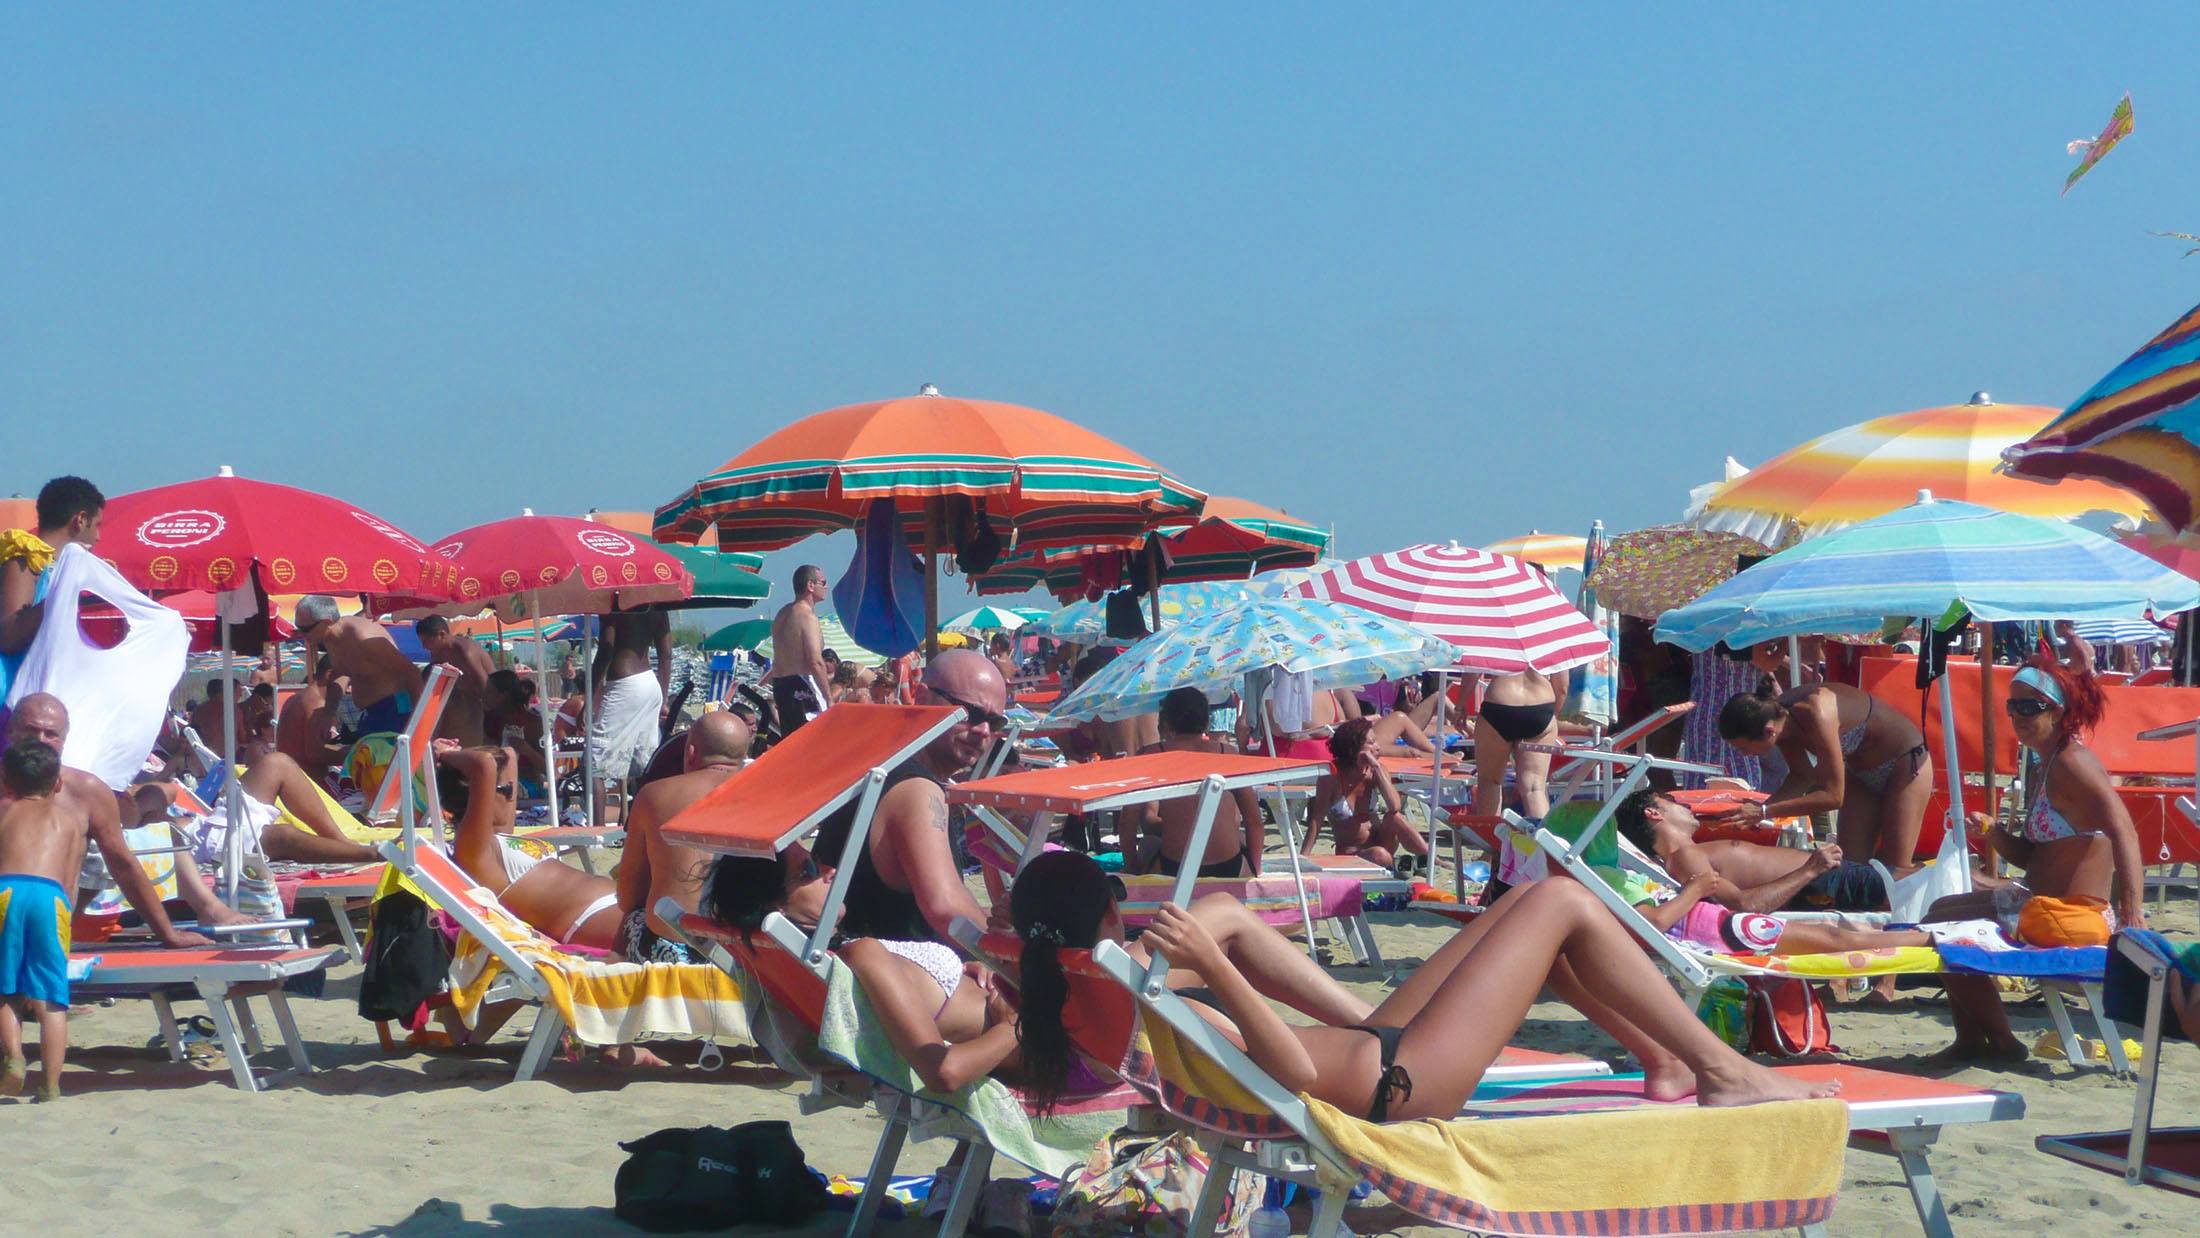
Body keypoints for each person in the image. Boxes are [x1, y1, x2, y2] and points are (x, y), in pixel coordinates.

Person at [1012, 851, 1839, 1119]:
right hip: (1398, 1084)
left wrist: (1216, 934)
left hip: (1376, 1050)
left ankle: (1663, 1064)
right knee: (1559, 899)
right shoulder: (1133, 992)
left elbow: (1227, 919)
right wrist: (1220, 965)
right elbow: (1292, 1077)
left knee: (1519, 913)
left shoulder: (1079, 988)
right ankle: (1724, 1072)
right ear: (1113, 914)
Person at [710, 846, 1374, 1095]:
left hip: (1067, 1027)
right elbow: (942, 1070)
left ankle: (1366, 1032)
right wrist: (1017, 1022)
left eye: (822, 859)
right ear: (772, 904)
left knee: (1210, 949)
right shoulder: (863, 958)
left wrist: (1002, 952)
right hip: (1075, 1045)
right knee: (1222, 914)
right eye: (808, 872)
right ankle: (1370, 1030)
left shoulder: (832, 957)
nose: (829, 868)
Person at [1925, 658, 2150, 1063]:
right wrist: (1994, 832)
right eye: (2012, 707)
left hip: (2070, 915)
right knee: (1942, 909)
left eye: (2030, 707)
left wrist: (2133, 912)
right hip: (2039, 904)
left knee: (1941, 920)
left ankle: (1999, 1041)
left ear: (2059, 710)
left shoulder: (2072, 763)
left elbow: (2126, 832)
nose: (2017, 717)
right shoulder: (2046, 763)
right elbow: (2033, 857)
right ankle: (1976, 1039)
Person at [811, 649, 1008, 943]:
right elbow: (945, 908)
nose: (983, 731)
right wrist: (1012, 961)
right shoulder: (915, 788)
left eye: (995, 723)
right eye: (971, 713)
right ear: (923, 696)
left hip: (854, 960)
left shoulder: (876, 764)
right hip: (888, 976)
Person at [4, 697, 224, 943]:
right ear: (12, 731)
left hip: (52, 927)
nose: (40, 740)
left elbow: (123, 864)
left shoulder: (88, 791)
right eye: (31, 730)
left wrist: (168, 933)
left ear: (64, 740)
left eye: (50, 734)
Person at [1718, 678, 1933, 869]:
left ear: (1768, 732)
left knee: (1895, 868)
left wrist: (1765, 812)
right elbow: (1802, 776)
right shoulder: (1780, 722)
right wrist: (1757, 814)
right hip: (1861, 775)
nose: (1744, 755)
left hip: (1905, 763)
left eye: (1743, 748)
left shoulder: (1815, 712)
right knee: (1851, 869)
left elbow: (1833, 797)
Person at [436, 743, 620, 950]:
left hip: (614, 901)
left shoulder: (497, 836)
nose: (511, 796)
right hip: (591, 917)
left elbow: (510, 753)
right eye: (505, 790)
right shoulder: (473, 851)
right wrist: (445, 754)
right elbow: (484, 766)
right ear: (479, 793)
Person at [1613, 788, 1892, 913]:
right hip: (1824, 881)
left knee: (1917, 896)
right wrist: (1810, 869)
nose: (1683, 804)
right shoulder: (1684, 859)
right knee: (1914, 893)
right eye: (1670, 800)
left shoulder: (1690, 854)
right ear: (1654, 813)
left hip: (1826, 880)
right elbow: (1744, 905)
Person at [616, 711, 753, 963]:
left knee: (629, 919)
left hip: (674, 950)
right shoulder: (766, 795)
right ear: (744, 756)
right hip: (747, 952)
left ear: (690, 752)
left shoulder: (653, 795)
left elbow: (629, 897)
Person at [0, 741, 83, 1102]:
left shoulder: (4, 812)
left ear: (6, 781)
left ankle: (14, 1058)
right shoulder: (69, 822)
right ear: (58, 783)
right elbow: (70, 879)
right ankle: (50, 1086)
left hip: (5, 891)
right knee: (52, 997)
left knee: (5, 990)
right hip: (50, 898)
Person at [0, 476, 105, 719]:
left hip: (45, 701)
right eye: (97, 525)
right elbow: (8, 635)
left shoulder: (63, 569)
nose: (98, 537)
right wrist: (66, 592)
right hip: (12, 705)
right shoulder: (27, 558)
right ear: (80, 520)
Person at [1130, 687, 1262, 878]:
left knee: (1148, 845)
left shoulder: (1152, 755)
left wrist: (1132, 868)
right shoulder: (1228, 754)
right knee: (1239, 836)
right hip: (1229, 866)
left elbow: (1128, 823)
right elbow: (1254, 821)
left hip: (1175, 867)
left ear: (1166, 722)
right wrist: (1254, 867)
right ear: (1208, 721)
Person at [1303, 718, 1431, 873]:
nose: (1378, 747)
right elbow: (1316, 819)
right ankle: (1400, 864)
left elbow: (1394, 806)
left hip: (1383, 842)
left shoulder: (1376, 770)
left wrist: (1376, 766)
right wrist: (1303, 858)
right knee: (1380, 855)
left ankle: (1432, 859)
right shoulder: (1331, 776)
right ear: (1355, 748)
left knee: (1395, 817)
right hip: (1352, 852)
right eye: (1372, 743)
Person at [295, 596, 425, 739]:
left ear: (327, 622)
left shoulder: (363, 638)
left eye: (305, 629)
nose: (302, 635)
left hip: (395, 709)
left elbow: (411, 672)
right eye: (298, 628)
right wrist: (328, 715)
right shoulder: (330, 639)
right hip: (371, 714)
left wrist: (420, 723)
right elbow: (339, 674)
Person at [587, 610, 672, 804]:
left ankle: (596, 829)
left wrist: (589, 696)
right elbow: (666, 654)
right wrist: (664, 699)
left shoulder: (615, 601)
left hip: (625, 682)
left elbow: (606, 649)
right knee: (642, 765)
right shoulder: (657, 605)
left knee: (592, 766)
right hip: (651, 685)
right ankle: (635, 824)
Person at [1473, 668, 1569, 822]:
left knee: (1490, 783)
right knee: (1534, 787)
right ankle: (1541, 843)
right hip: (1540, 705)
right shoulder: (1551, 642)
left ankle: (1490, 841)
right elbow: (1562, 687)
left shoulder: (1500, 641)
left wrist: (1461, 705)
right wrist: (1551, 716)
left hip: (1500, 702)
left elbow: (1473, 668)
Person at [767, 565, 832, 734]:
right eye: (823, 582)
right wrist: (829, 698)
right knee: (816, 738)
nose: (826, 587)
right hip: (801, 685)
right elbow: (815, 661)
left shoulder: (782, 614)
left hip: (781, 685)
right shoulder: (807, 616)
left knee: (792, 740)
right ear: (810, 585)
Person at [415, 615, 495, 746]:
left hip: (484, 703)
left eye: (426, 641)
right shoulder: (437, 652)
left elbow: (487, 687)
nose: (424, 646)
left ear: (442, 634)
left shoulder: (465, 652)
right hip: (464, 702)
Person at [275, 656, 350, 794]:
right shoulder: (316, 704)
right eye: (348, 681)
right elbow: (315, 754)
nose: (349, 689)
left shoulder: (298, 697)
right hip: (308, 784)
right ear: (330, 675)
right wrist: (355, 754)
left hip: (293, 780)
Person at [481, 669, 548, 792]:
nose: (484, 696)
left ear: (503, 695)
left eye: (489, 692)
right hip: (496, 782)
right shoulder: (490, 719)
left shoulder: (533, 722)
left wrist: (527, 750)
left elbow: (547, 768)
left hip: (527, 784)